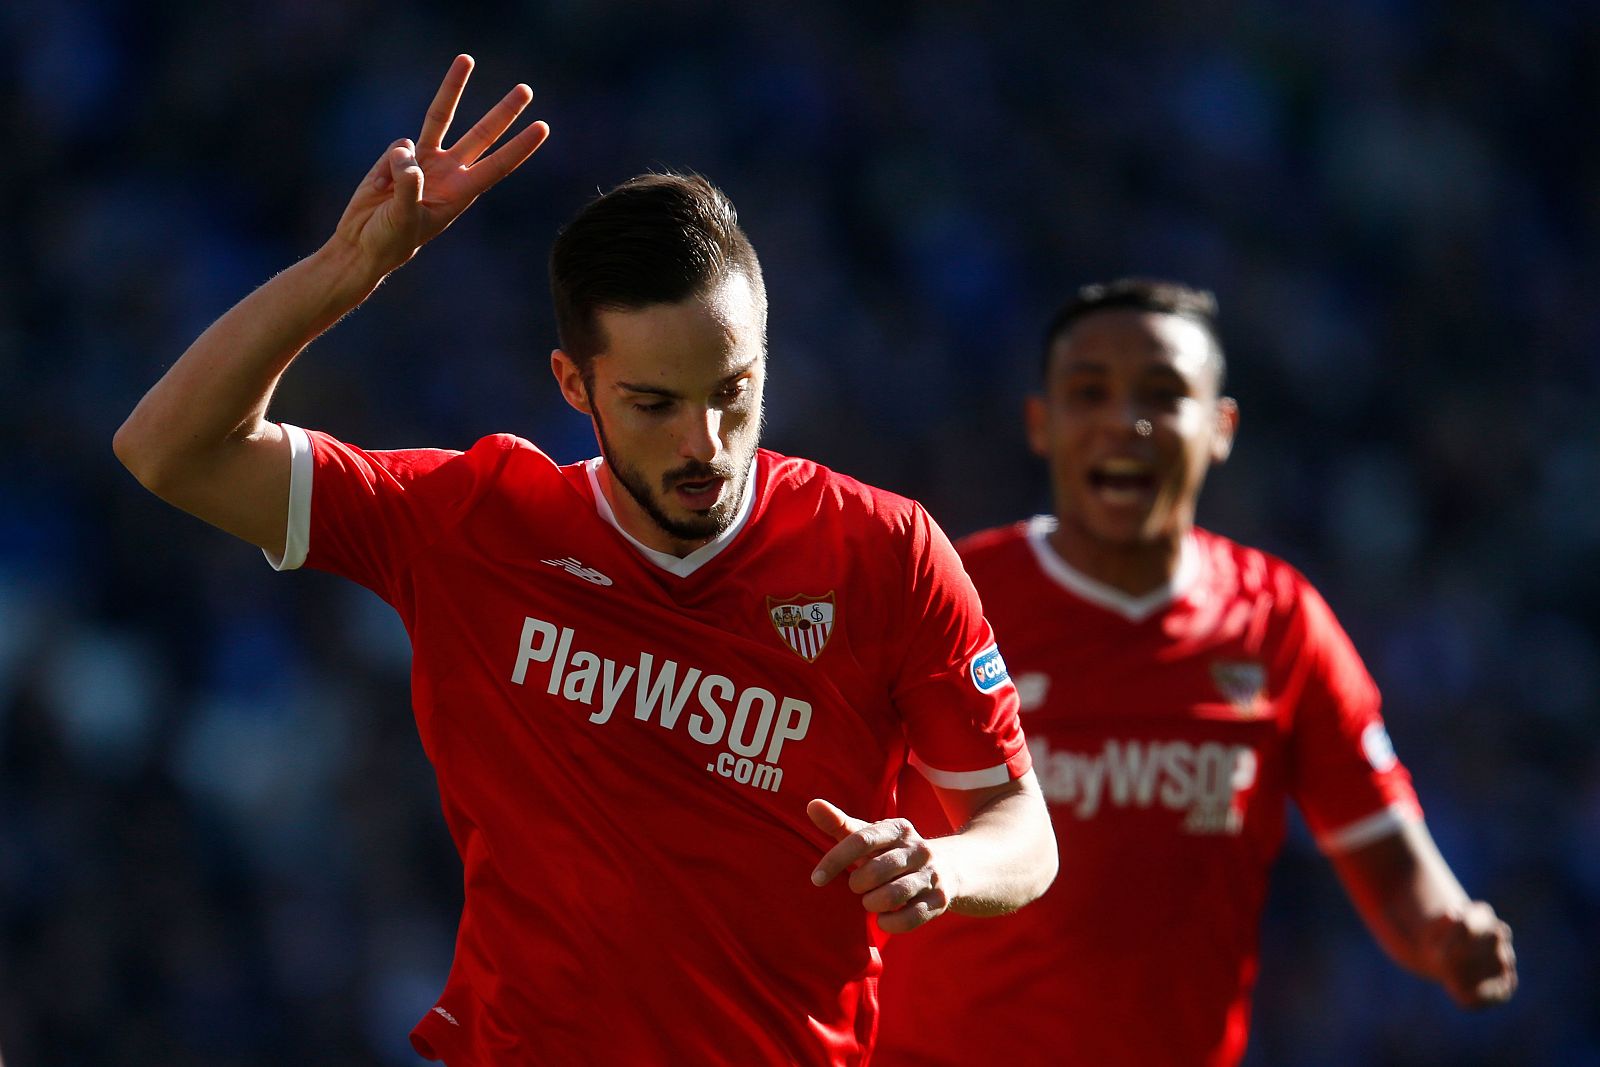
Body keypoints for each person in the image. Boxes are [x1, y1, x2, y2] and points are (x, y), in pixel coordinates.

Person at [112, 56, 1057, 1066]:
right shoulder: (473, 523)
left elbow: (1020, 828)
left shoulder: (883, 551)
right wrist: (350, 268)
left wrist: (942, 862)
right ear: (576, 384)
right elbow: (168, 449)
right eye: (655, 402)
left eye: (733, 390)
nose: (706, 442)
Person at [874, 279, 1517, 1066]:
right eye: (1088, 392)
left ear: (1221, 426)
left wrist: (1445, 932)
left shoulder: (1279, 623)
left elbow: (1385, 851)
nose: (1124, 420)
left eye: (1163, 392)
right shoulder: (949, 600)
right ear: (1040, 423)